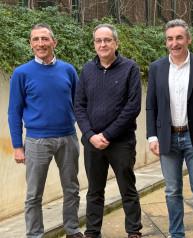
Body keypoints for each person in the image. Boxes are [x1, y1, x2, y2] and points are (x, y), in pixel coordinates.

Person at [7, 23, 83, 238]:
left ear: (54, 42)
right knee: (34, 195)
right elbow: (14, 113)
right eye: (35, 40)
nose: (40, 43)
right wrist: (17, 146)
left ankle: (73, 230)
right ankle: (34, 235)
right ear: (31, 44)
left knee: (72, 189)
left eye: (45, 39)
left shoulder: (68, 70)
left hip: (68, 138)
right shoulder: (21, 73)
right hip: (36, 141)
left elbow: (79, 105)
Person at [146, 19, 193, 238]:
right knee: (172, 191)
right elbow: (151, 105)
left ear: (189, 39)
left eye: (179, 38)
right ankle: (177, 235)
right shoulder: (157, 67)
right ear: (166, 42)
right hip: (167, 138)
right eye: (170, 38)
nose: (174, 43)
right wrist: (151, 136)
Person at [74, 23, 142, 238]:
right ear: (94, 44)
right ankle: (92, 232)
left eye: (107, 40)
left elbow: (132, 106)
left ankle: (133, 231)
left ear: (116, 43)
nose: (102, 44)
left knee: (127, 189)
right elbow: (79, 106)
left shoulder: (130, 68)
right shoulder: (86, 70)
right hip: (92, 143)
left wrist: (107, 134)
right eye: (98, 40)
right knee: (94, 191)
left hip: (121, 142)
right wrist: (90, 135)